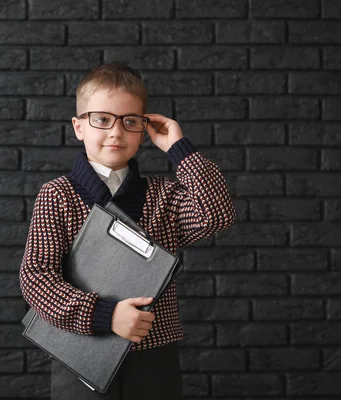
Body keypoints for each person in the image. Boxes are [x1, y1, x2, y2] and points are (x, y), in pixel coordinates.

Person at [18, 62, 236, 399]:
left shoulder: (164, 197)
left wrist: (179, 149)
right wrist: (105, 315)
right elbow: (37, 277)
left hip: (154, 356)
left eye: (130, 121)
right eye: (102, 119)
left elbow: (216, 215)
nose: (116, 132)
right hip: (80, 350)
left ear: (144, 128)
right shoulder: (58, 195)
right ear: (78, 127)